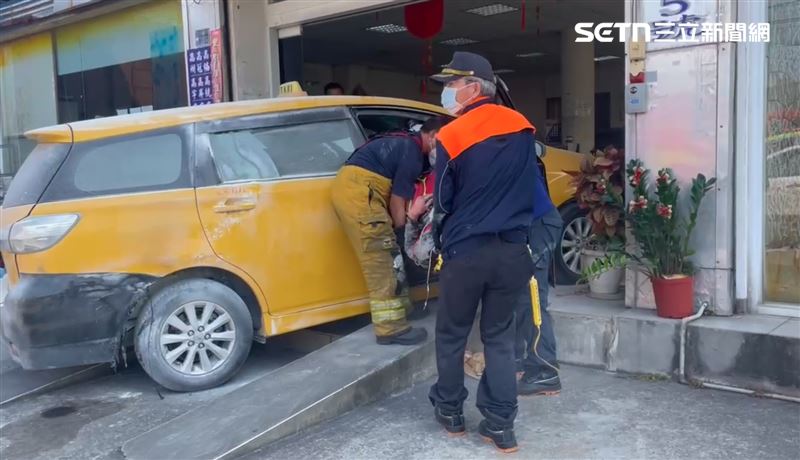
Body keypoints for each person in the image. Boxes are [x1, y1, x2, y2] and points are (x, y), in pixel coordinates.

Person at [427, 51, 538, 454]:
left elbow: (443, 199)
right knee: (500, 339)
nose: (446, 92)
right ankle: (500, 425)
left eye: (451, 84)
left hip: (467, 251)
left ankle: (451, 412)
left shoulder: (452, 135)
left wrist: (438, 242)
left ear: (473, 88)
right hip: (512, 250)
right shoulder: (524, 128)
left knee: (453, 333)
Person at [331, 118, 442, 345]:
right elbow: (397, 199)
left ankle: (402, 309)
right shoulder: (411, 151)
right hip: (362, 195)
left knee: (392, 257)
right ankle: (390, 329)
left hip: (361, 191)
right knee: (382, 260)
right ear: (432, 135)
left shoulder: (407, 145)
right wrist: (402, 231)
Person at [514, 156, 564, 395]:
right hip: (528, 227)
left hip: (539, 226)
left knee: (531, 299)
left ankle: (545, 371)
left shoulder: (507, 155)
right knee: (516, 297)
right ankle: (521, 362)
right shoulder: (504, 149)